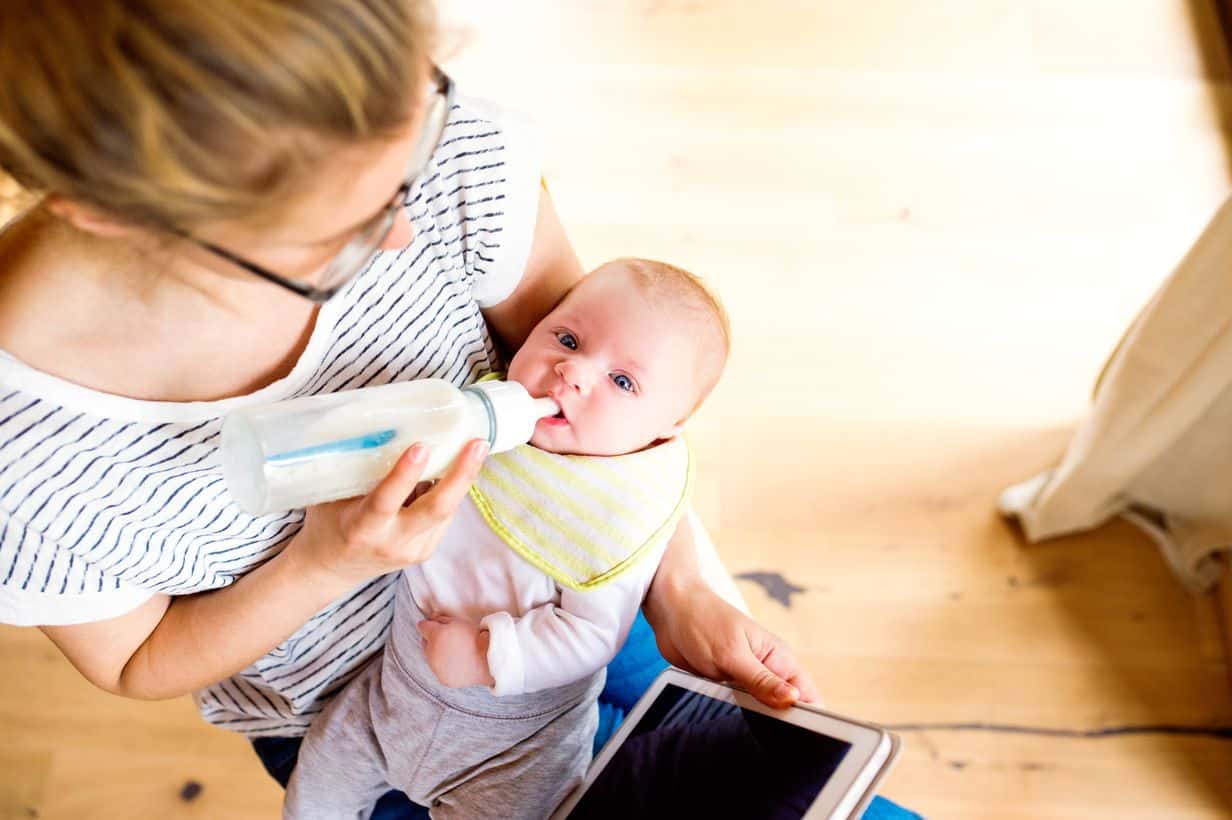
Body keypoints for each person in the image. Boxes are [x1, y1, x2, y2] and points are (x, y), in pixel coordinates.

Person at [0, 3, 871, 819]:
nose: (403, 233)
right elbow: (136, 658)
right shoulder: (27, 456)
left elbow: (610, 392)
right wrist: (322, 563)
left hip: (582, 585)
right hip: (350, 713)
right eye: (336, 229)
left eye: (410, 153)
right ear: (112, 209)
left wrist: (678, 586)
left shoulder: (436, 156)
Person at [284, 258, 727, 819]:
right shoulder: (485, 419)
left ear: (663, 431)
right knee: (320, 782)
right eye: (566, 338)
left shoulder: (617, 514)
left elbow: (591, 634)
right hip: (391, 695)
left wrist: (486, 653)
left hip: (516, 748)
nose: (573, 371)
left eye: (622, 381)